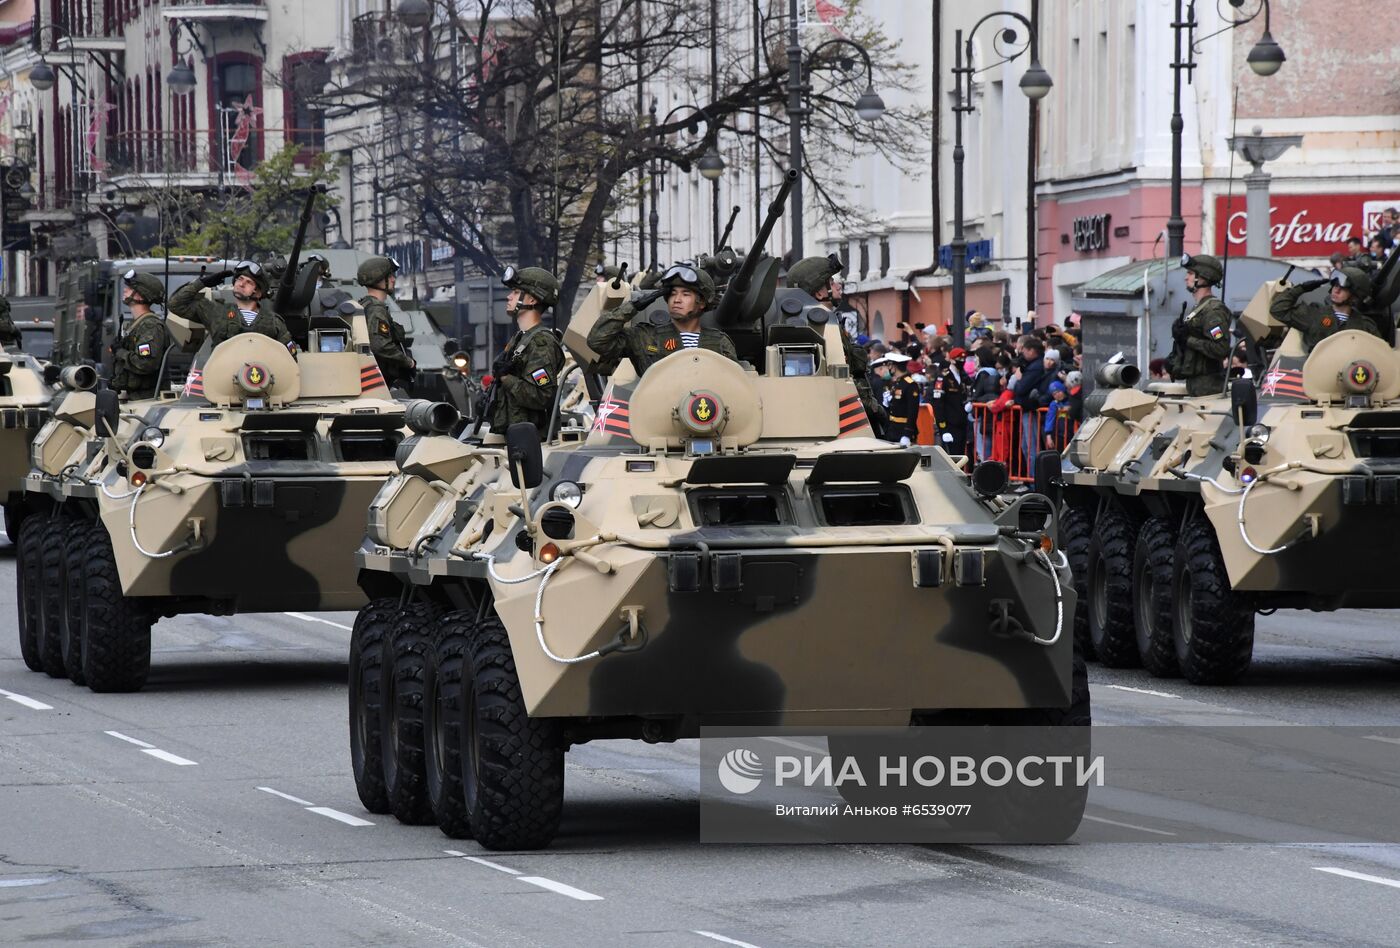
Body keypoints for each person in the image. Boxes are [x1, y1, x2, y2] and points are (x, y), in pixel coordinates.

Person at [588, 262, 737, 376]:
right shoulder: (645, 337)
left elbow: (735, 385)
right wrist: (633, 306)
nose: (677, 300)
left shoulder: (719, 343)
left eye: (686, 294)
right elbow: (597, 340)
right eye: (672, 294)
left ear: (702, 302)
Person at [489, 266, 565, 433]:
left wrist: (505, 378)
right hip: (516, 434)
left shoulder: (541, 343)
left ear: (532, 300)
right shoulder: (520, 338)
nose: (509, 297)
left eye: (516, 292)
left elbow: (541, 396)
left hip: (529, 440)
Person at [168, 260, 298, 354]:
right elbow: (175, 305)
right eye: (240, 279)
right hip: (223, 382)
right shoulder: (216, 312)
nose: (241, 284)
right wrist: (201, 283)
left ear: (258, 292)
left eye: (249, 282)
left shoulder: (273, 322)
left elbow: (290, 357)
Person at [1269, 266, 1381, 352]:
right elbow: (1278, 310)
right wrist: (1301, 288)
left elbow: (1380, 353)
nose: (1336, 290)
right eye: (1335, 286)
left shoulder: (1365, 326)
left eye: (1343, 288)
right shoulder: (1314, 315)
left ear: (1355, 295)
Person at [1166, 253, 1232, 397]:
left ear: (1203, 277)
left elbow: (1221, 348)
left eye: (1190, 273)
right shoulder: (1199, 309)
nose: (1186, 277)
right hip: (1197, 386)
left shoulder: (1213, 311)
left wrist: (1188, 340)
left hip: (1209, 389)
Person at [111, 270, 173, 399]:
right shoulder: (137, 324)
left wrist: (120, 352)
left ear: (140, 296)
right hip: (135, 397)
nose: (125, 290)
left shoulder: (150, 326)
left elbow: (145, 363)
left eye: (130, 288)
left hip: (147, 399)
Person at [356, 256, 415, 387]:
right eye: (389, 276)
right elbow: (379, 346)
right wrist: (408, 362)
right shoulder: (376, 309)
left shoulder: (366, 305)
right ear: (378, 280)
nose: (394, 279)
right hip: (376, 381)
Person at [1011, 334, 1053, 471]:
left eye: (1024, 350)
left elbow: (1021, 388)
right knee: (1026, 445)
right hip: (1029, 408)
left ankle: (1035, 480)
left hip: (1031, 409)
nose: (1022, 353)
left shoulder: (1035, 367)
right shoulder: (1033, 365)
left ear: (1031, 351)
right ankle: (1031, 479)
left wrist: (1018, 379)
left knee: (1031, 446)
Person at [929, 345, 968, 455]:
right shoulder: (943, 378)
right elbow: (938, 404)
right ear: (951, 360)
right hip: (949, 424)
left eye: (963, 359)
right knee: (952, 456)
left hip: (961, 422)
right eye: (959, 359)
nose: (962, 361)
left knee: (961, 455)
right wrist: (943, 428)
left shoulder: (963, 376)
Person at [873, 352, 918, 446]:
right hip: (892, 429)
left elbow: (912, 412)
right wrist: (887, 404)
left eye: (890, 365)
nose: (889, 368)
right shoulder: (896, 383)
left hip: (904, 429)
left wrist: (907, 434)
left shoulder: (910, 385)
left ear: (895, 367)